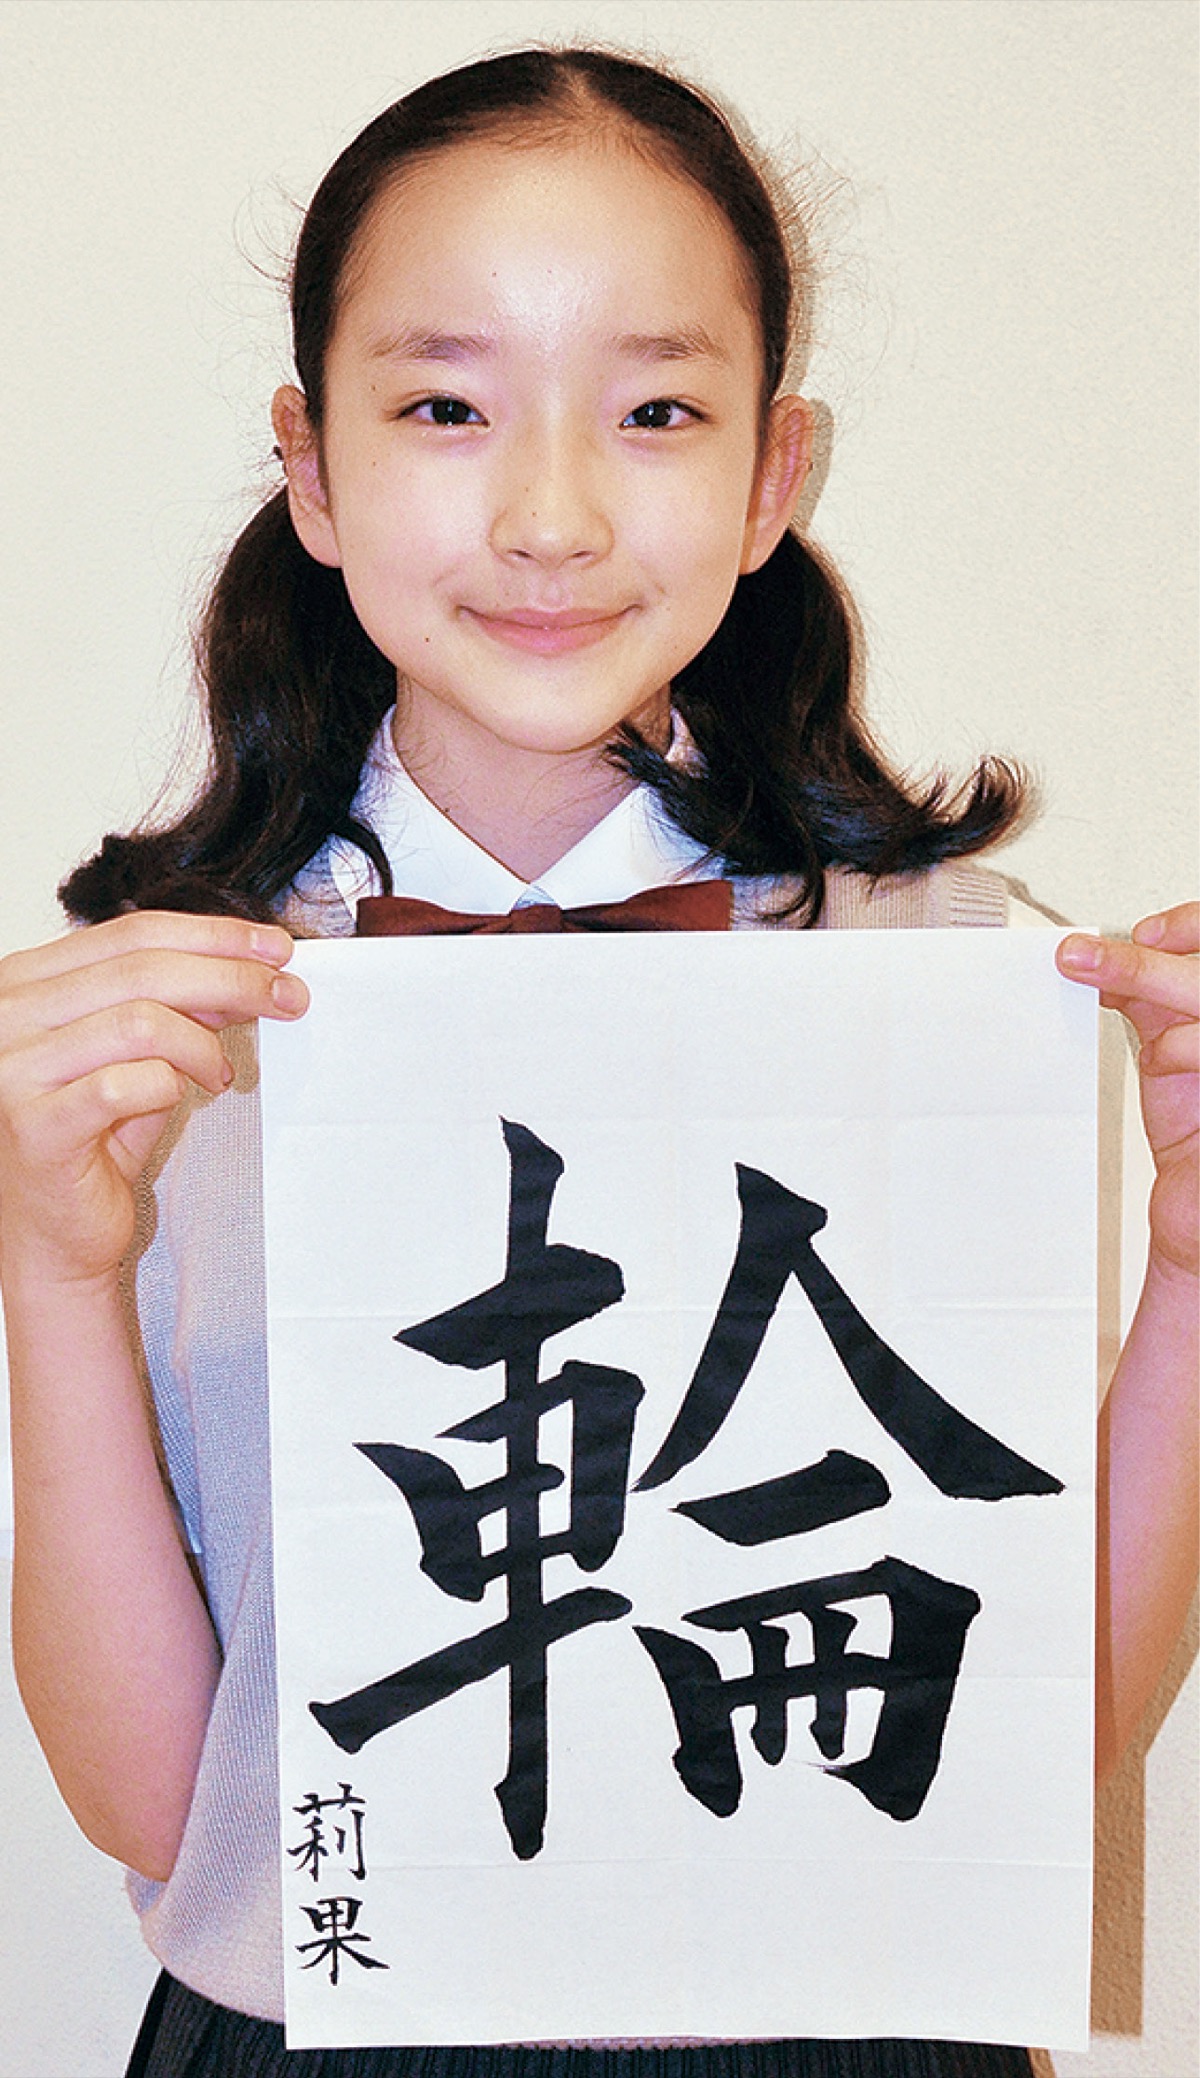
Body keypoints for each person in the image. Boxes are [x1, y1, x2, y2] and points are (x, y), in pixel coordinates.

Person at [0, 44, 1194, 2078]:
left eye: (655, 411)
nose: (549, 517)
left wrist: (1194, 1261)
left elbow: (1047, 1729)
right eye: (444, 407)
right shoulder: (165, 1034)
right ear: (310, 467)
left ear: (773, 474)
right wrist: (50, 1260)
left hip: (857, 2036)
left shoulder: (945, 977)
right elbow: (162, 1810)